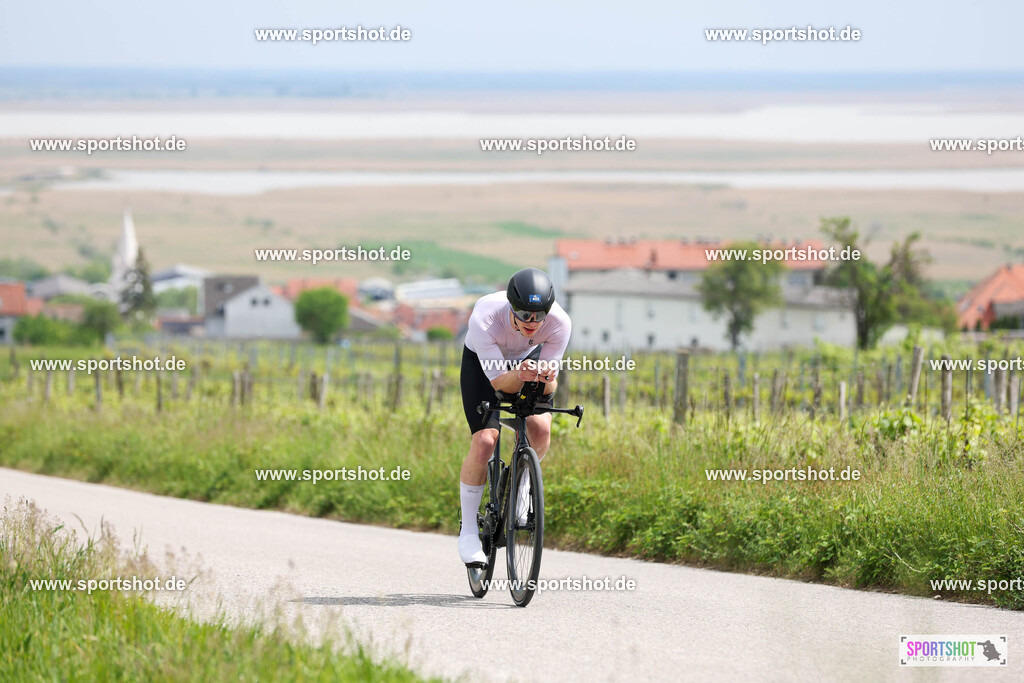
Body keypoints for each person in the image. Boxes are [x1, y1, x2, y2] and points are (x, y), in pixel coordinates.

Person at [458, 267, 571, 566]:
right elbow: (499, 386)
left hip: (526, 359)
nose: (532, 322)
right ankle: (468, 531)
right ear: (511, 306)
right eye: (523, 314)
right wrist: (520, 375)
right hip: (483, 367)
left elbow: (549, 384)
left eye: (539, 314)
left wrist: (547, 377)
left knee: (540, 431)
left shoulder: (560, 323)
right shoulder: (485, 318)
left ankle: (522, 486)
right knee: (485, 440)